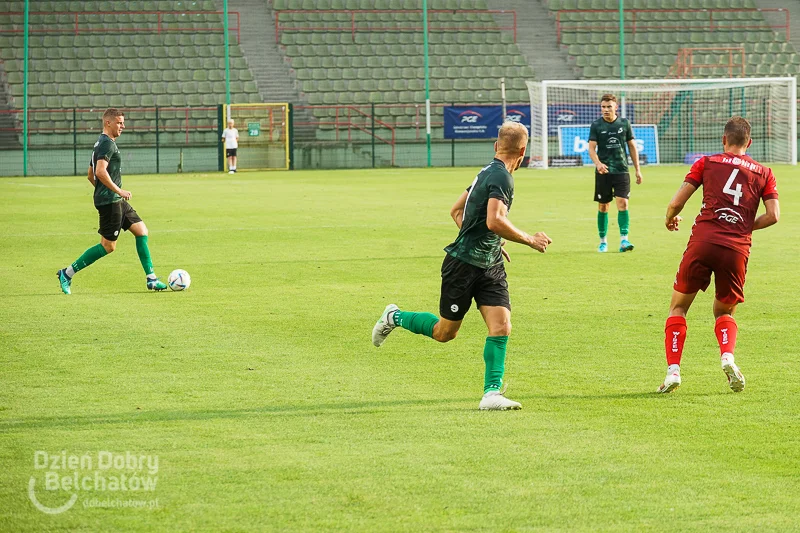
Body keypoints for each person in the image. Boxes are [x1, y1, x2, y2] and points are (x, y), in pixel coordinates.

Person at [371, 121, 552, 411]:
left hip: (489, 264)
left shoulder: (487, 173)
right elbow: (494, 220)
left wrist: (489, 242)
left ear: (496, 146)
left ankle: (491, 394)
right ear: (523, 150)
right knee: (445, 333)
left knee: (501, 326)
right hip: (463, 266)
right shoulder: (501, 178)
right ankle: (395, 316)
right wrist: (529, 240)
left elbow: (457, 211)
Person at [658, 116, 779, 394]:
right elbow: (774, 216)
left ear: (724, 140)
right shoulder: (764, 172)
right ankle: (727, 357)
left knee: (678, 307)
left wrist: (669, 218)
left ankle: (673, 371)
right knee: (724, 310)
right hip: (736, 248)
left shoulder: (706, 162)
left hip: (703, 241)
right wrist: (743, 225)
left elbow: (677, 202)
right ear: (749, 142)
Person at [56, 108, 168, 294]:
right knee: (108, 246)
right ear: (108, 122)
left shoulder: (100, 143)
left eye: (123, 122)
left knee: (141, 231)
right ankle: (66, 274)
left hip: (114, 200)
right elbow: (100, 171)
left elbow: (90, 175)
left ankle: (152, 279)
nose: (122, 126)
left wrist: (105, 191)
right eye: (119, 122)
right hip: (112, 201)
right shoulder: (107, 144)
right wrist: (117, 191)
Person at [587, 94, 643, 253]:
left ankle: (624, 240)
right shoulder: (596, 125)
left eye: (609, 107)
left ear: (615, 107)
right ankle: (603, 241)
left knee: (623, 203)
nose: (605, 110)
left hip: (621, 170)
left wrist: (637, 169)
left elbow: (632, 146)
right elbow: (591, 148)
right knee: (604, 206)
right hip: (603, 172)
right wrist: (598, 164)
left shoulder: (624, 124)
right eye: (603, 107)